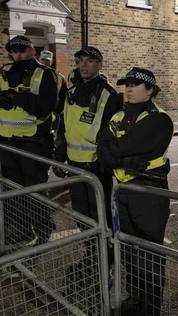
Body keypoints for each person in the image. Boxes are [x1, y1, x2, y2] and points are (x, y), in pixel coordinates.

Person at [97, 67, 173, 316]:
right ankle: (135, 299)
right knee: (129, 250)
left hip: (149, 190)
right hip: (124, 190)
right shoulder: (119, 116)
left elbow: (120, 145)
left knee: (150, 255)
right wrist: (116, 154)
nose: (128, 88)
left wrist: (111, 149)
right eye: (126, 84)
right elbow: (103, 151)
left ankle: (150, 309)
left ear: (150, 90)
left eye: (135, 85)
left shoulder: (158, 118)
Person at [0, 35, 60, 242]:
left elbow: (47, 106)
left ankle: (43, 228)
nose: (18, 54)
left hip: (33, 143)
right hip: (7, 143)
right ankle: (20, 228)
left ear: (33, 51)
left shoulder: (45, 74)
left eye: (22, 50)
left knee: (35, 189)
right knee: (11, 189)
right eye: (15, 51)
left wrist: (18, 98)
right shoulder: (3, 72)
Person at [54, 46, 124, 267]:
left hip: (97, 167)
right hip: (75, 165)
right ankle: (92, 254)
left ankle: (108, 257)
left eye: (89, 61)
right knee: (81, 213)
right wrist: (59, 155)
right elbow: (64, 126)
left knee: (100, 214)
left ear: (100, 65)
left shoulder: (109, 95)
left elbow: (112, 134)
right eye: (80, 61)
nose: (83, 65)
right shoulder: (72, 93)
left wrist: (104, 161)